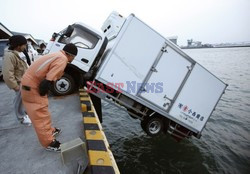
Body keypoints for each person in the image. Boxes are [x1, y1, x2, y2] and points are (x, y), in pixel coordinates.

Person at [21, 43, 78, 152]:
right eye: (74, 57)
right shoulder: (62, 59)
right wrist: (43, 91)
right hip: (32, 86)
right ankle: (49, 143)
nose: (73, 60)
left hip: (28, 83)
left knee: (43, 112)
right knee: (40, 114)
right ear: (70, 55)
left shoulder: (57, 55)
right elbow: (47, 81)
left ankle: (49, 131)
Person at [2, 35, 32, 125]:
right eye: (24, 45)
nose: (25, 47)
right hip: (19, 84)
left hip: (25, 82)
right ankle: (21, 118)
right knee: (18, 101)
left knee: (25, 99)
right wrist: (15, 86)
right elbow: (7, 74)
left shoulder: (19, 53)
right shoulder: (9, 56)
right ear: (18, 45)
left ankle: (25, 114)